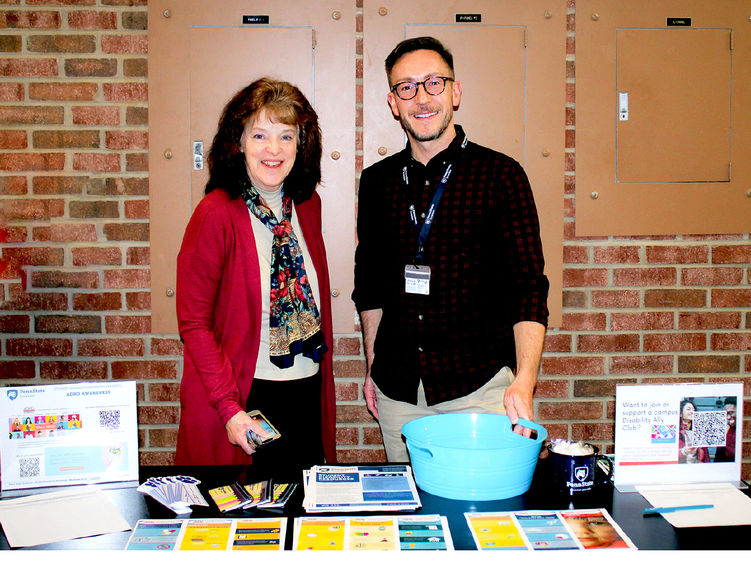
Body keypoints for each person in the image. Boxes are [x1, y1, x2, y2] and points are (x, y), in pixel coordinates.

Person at [352, 36, 549, 461]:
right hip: (398, 393)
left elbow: (528, 286)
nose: (421, 98)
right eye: (407, 87)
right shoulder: (377, 183)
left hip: (478, 390)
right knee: (412, 522)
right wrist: (372, 367)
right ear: (393, 102)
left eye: (433, 83)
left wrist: (525, 380)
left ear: (455, 92)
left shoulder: (501, 175)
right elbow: (369, 286)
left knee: (481, 519)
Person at [175, 78, 336, 474]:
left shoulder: (306, 205)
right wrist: (230, 409)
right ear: (239, 141)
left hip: (306, 393)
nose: (274, 149)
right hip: (244, 398)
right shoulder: (215, 213)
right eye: (260, 135)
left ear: (302, 145)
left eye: (286, 136)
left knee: (304, 524)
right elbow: (194, 322)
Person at [677, 398, 709, 463]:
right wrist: (684, 451)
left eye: (693, 410)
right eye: (688, 409)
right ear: (680, 413)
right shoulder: (675, 432)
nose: (692, 412)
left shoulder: (699, 431)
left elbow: (706, 456)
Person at [713, 397, 736, 463]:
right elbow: (718, 457)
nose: (728, 417)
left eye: (731, 413)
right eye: (726, 414)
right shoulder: (726, 429)